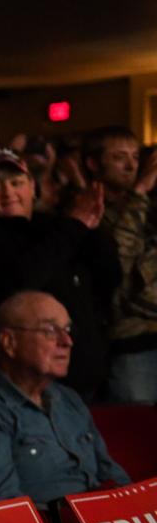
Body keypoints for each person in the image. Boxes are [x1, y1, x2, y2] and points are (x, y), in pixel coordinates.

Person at [0, 151, 121, 396]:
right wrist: (75, 225)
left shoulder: (55, 226)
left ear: (33, 188)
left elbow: (109, 274)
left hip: (80, 371)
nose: (8, 192)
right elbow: (22, 279)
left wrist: (92, 227)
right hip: (24, 378)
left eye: (16, 183)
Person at [0, 291, 130, 505]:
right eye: (50, 330)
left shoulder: (69, 399)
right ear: (9, 342)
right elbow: (8, 509)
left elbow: (112, 474)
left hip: (102, 522)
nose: (67, 341)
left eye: (68, 329)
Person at [82, 126, 157, 403]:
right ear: (93, 163)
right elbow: (120, 273)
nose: (131, 166)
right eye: (119, 157)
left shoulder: (146, 207)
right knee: (133, 432)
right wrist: (139, 191)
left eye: (136, 158)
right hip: (131, 344)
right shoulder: (88, 210)